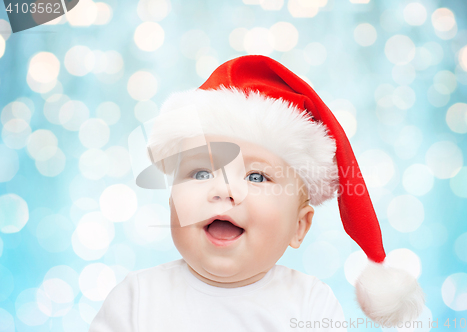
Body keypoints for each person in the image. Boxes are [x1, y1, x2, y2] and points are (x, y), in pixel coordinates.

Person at [88, 55, 424, 332]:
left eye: (257, 176)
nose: (224, 189)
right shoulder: (136, 298)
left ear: (299, 226)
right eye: (202, 172)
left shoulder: (309, 302)